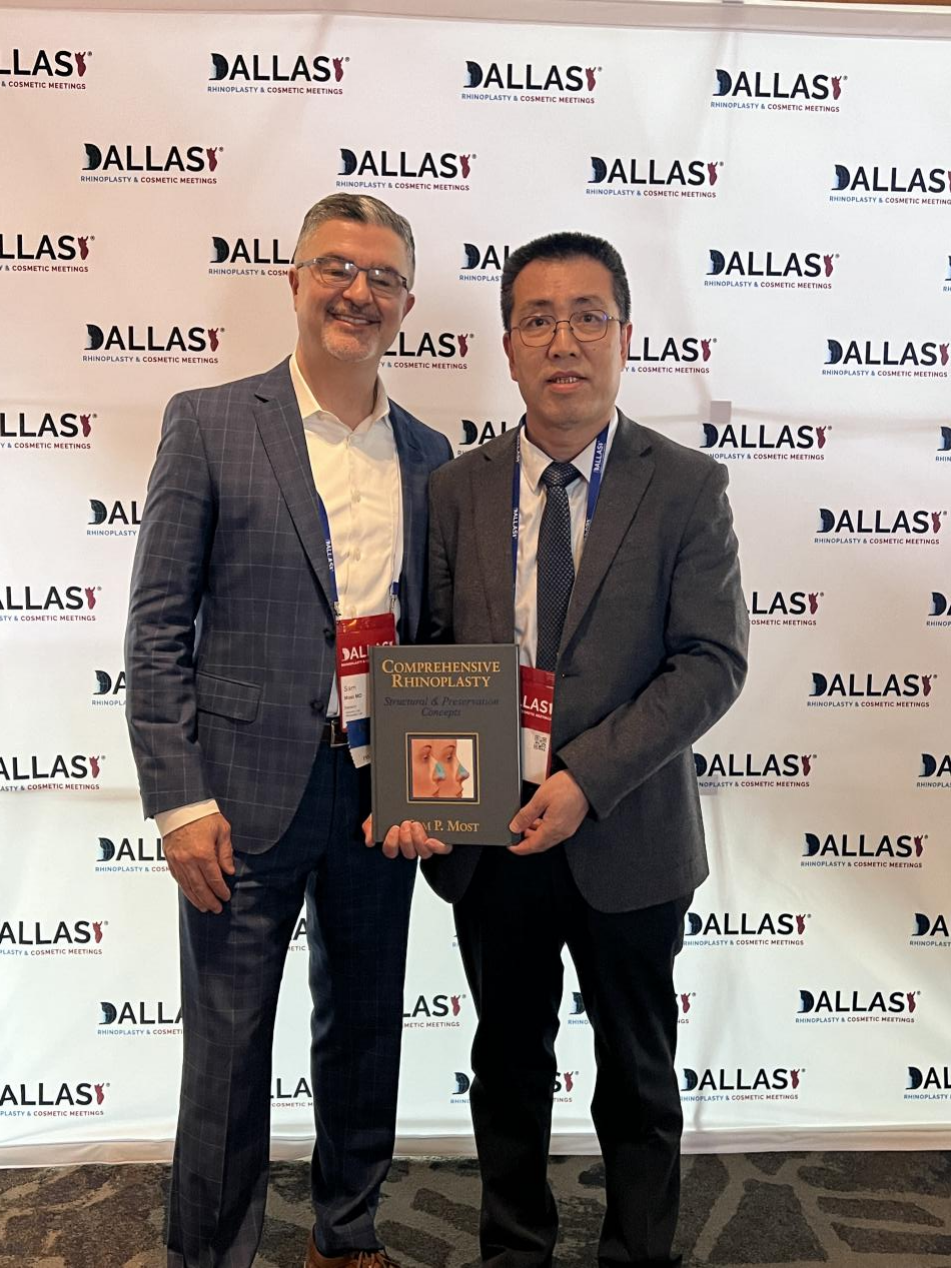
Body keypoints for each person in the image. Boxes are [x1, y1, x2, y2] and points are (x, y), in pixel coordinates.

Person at [373, 232, 749, 1266]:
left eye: (588, 315)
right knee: (508, 1065)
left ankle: (638, 1252)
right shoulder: (456, 488)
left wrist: (588, 776)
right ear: (507, 346)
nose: (562, 340)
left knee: (637, 1074)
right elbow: (433, 653)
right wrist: (420, 789)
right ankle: (513, 1250)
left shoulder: (686, 486)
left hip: (627, 831)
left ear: (625, 336)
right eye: (536, 319)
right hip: (491, 835)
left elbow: (711, 660)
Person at [125, 193, 453, 1268]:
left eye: (383, 277)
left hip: (375, 793)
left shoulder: (432, 454)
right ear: (296, 280)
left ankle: (345, 1236)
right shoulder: (210, 421)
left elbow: (434, 635)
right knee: (226, 1051)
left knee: (364, 1029)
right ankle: (210, 1255)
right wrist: (179, 799)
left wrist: (431, 787)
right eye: (337, 268)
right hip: (238, 793)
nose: (359, 292)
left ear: (406, 303)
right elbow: (158, 625)